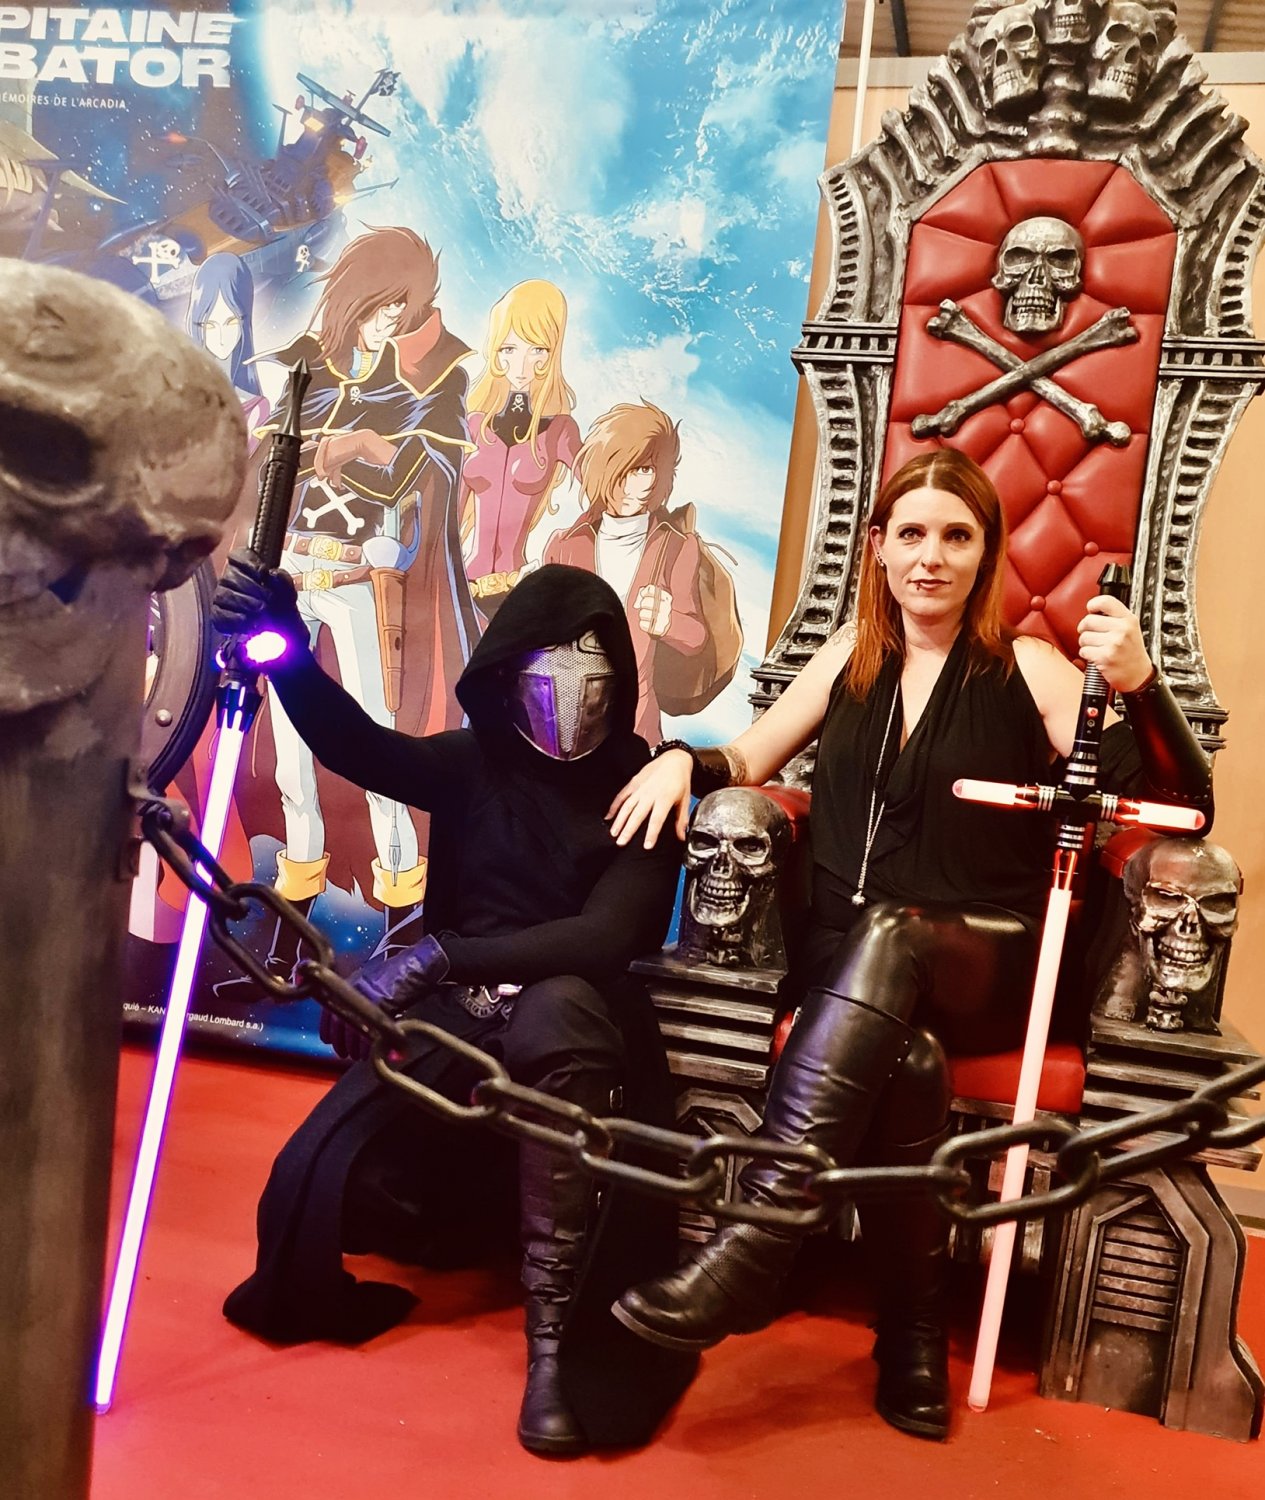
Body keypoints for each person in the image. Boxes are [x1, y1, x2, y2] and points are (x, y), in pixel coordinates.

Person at [603, 448, 1213, 1440]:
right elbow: (750, 756)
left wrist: (1141, 685)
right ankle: (912, 1332)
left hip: (991, 957)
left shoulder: (1027, 667)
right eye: (912, 534)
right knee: (909, 1060)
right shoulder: (851, 652)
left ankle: (757, 1240)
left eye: (956, 537)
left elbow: (1182, 806)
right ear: (878, 548)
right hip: (852, 961)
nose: (931, 557)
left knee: (896, 936)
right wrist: (682, 760)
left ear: (984, 554)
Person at [210, 557, 689, 1456]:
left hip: (578, 1011)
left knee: (558, 1014)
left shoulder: (642, 780)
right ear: (509, 667)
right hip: (464, 1007)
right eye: (551, 652)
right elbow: (359, 748)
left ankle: (554, 1345)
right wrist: (289, 651)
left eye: (591, 653)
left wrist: (434, 956)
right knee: (319, 1184)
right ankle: (473, 1216)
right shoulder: (478, 760)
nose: (572, 676)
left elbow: (603, 936)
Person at [238, 226, 481, 972]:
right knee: (291, 763)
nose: (392, 325)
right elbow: (265, 471)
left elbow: (408, 480)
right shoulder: (303, 378)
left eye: (402, 313)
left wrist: (365, 448)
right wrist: (328, 447)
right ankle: (290, 929)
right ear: (357, 301)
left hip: (358, 585)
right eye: (383, 309)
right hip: (294, 582)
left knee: (379, 749)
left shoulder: (415, 397)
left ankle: (402, 921)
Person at [544, 399, 741, 743]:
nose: (632, 483)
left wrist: (667, 623)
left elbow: (696, 637)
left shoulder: (676, 546)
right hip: (562, 722)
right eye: (623, 469)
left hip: (635, 727)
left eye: (645, 469)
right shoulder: (565, 544)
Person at [461, 279, 581, 620]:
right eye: (509, 349)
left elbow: (601, 493)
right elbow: (446, 519)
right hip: (464, 587)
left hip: (520, 592)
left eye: (537, 350)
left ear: (553, 352)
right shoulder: (475, 425)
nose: (522, 366)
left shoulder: (560, 431)